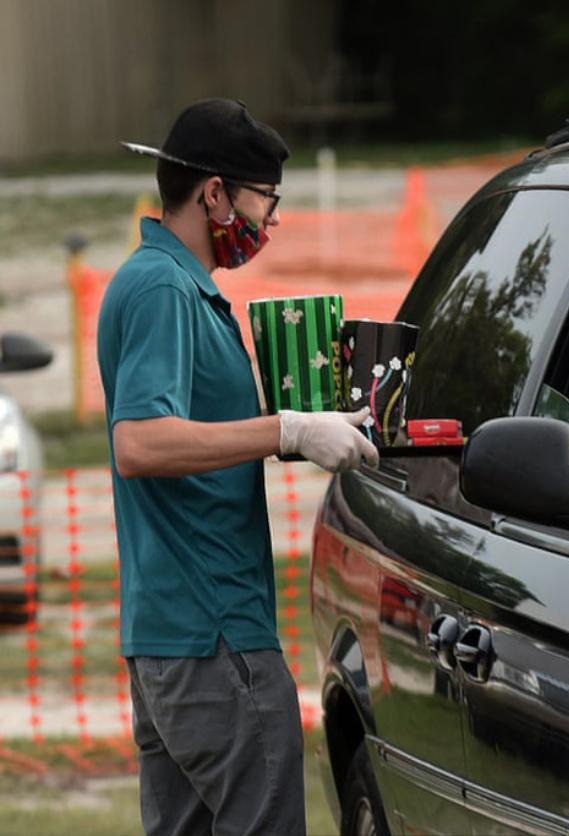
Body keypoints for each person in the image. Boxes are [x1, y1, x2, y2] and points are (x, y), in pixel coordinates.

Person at [98, 98, 378, 835]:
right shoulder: (165, 289)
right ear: (214, 192)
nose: (269, 224)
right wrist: (284, 431)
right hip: (215, 637)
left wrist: (308, 418)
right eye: (265, 203)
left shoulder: (169, 281)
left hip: (172, 637)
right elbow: (141, 443)